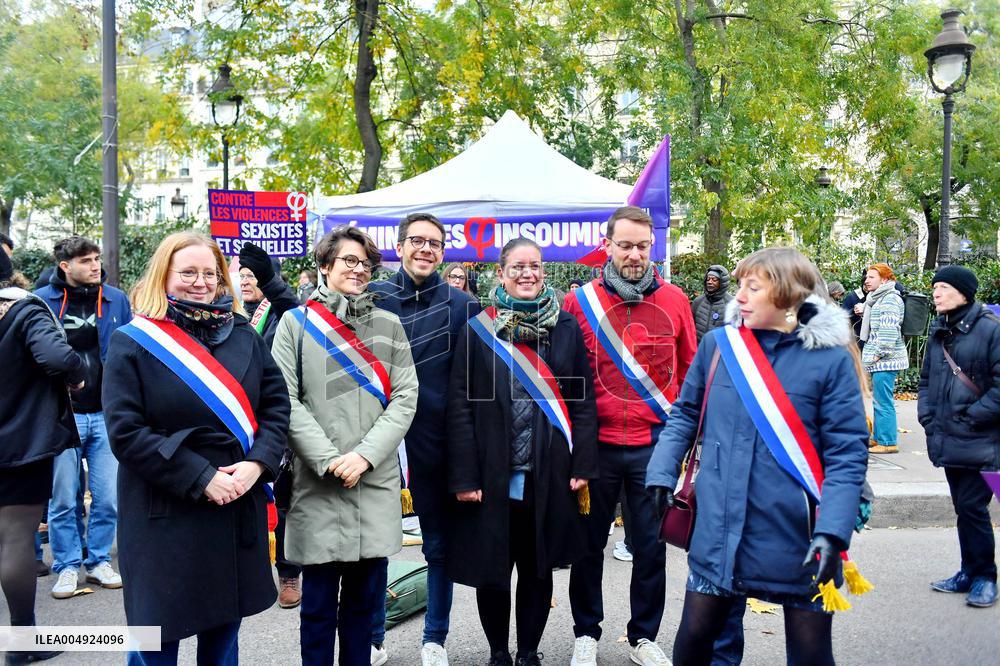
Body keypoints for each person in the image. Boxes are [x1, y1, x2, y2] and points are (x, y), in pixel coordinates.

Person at [647, 247, 870, 666]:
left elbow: (846, 456)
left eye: (754, 287)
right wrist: (661, 472)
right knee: (696, 639)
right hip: (719, 526)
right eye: (740, 286)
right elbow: (684, 415)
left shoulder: (831, 360)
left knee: (809, 653)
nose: (740, 297)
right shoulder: (718, 346)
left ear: (787, 296)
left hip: (800, 534)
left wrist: (833, 532)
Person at [102, 232, 290, 665]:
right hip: (164, 506)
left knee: (224, 632)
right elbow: (126, 432)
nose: (200, 282)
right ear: (163, 276)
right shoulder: (134, 341)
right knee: (156, 638)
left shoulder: (242, 333)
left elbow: (276, 406)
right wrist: (200, 477)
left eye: (210, 272)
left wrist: (258, 465)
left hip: (234, 501)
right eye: (187, 272)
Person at [447, 238, 599, 666]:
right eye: (517, 267)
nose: (527, 274)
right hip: (491, 474)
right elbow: (460, 406)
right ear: (501, 273)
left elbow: (581, 402)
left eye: (534, 266)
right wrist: (464, 475)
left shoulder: (565, 328)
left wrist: (583, 462)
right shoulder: (478, 330)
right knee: (492, 570)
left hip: (548, 472)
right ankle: (498, 653)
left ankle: (529, 652)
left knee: (537, 568)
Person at [271, 226, 418, 666]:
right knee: (316, 609)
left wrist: (364, 456)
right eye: (349, 261)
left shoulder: (389, 325)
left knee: (363, 606)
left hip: (373, 480)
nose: (358, 269)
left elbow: (406, 395)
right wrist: (331, 460)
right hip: (319, 482)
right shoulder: (295, 325)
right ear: (325, 265)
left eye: (365, 263)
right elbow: (285, 400)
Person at [562, 206, 700, 666]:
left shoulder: (677, 300)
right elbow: (564, 378)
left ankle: (643, 636)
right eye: (625, 245)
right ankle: (586, 632)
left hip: (654, 448)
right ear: (608, 246)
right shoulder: (578, 301)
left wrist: (682, 444)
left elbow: (689, 372)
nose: (635, 255)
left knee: (650, 547)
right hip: (594, 447)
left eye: (643, 246)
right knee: (587, 546)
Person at [367, 213, 480, 666]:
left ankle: (435, 638)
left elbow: (472, 385)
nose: (426, 249)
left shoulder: (461, 305)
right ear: (400, 246)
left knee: (437, 546)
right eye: (417, 240)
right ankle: (373, 636)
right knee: (375, 546)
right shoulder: (371, 298)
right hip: (376, 443)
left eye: (434, 243)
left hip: (436, 445)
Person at [35, 236, 132, 599]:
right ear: (65, 266)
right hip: (63, 415)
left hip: (107, 413)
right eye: (86, 261)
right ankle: (66, 566)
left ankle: (98, 561)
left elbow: (127, 352)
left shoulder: (116, 299)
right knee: (63, 499)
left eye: (96, 259)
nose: (96, 266)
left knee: (107, 497)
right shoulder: (42, 302)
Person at [0, 250, 82, 665]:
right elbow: (55, 356)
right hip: (18, 444)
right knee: (15, 539)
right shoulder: (25, 309)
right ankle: (22, 642)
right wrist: (78, 372)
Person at [919, 265, 1000, 608]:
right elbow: (925, 380)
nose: (936, 293)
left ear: (964, 292)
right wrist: (926, 415)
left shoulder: (990, 330)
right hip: (949, 436)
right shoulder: (941, 329)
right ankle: (969, 571)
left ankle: (984, 577)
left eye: (943, 287)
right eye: (935, 287)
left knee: (972, 506)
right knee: (964, 508)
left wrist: (970, 417)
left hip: (981, 438)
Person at [238, 241, 307, 609]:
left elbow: (292, 308)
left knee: (281, 502)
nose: (246, 282)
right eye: (242, 276)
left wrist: (272, 282)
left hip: (275, 420)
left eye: (253, 276)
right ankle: (247, 573)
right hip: (238, 421)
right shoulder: (230, 312)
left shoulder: (281, 312)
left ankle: (289, 572)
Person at [860, 263, 908, 454]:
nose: (867, 280)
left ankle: (888, 442)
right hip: (882, 359)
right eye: (867, 277)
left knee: (883, 401)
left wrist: (876, 355)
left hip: (885, 360)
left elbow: (888, 333)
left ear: (885, 279)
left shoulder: (889, 299)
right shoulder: (877, 299)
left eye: (872, 277)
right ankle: (879, 437)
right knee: (879, 400)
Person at [691, 265, 732, 342]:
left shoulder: (730, 303)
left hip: (720, 350)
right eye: (708, 279)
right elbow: (690, 327)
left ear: (722, 282)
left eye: (714, 279)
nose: (710, 282)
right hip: (699, 349)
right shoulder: (698, 302)